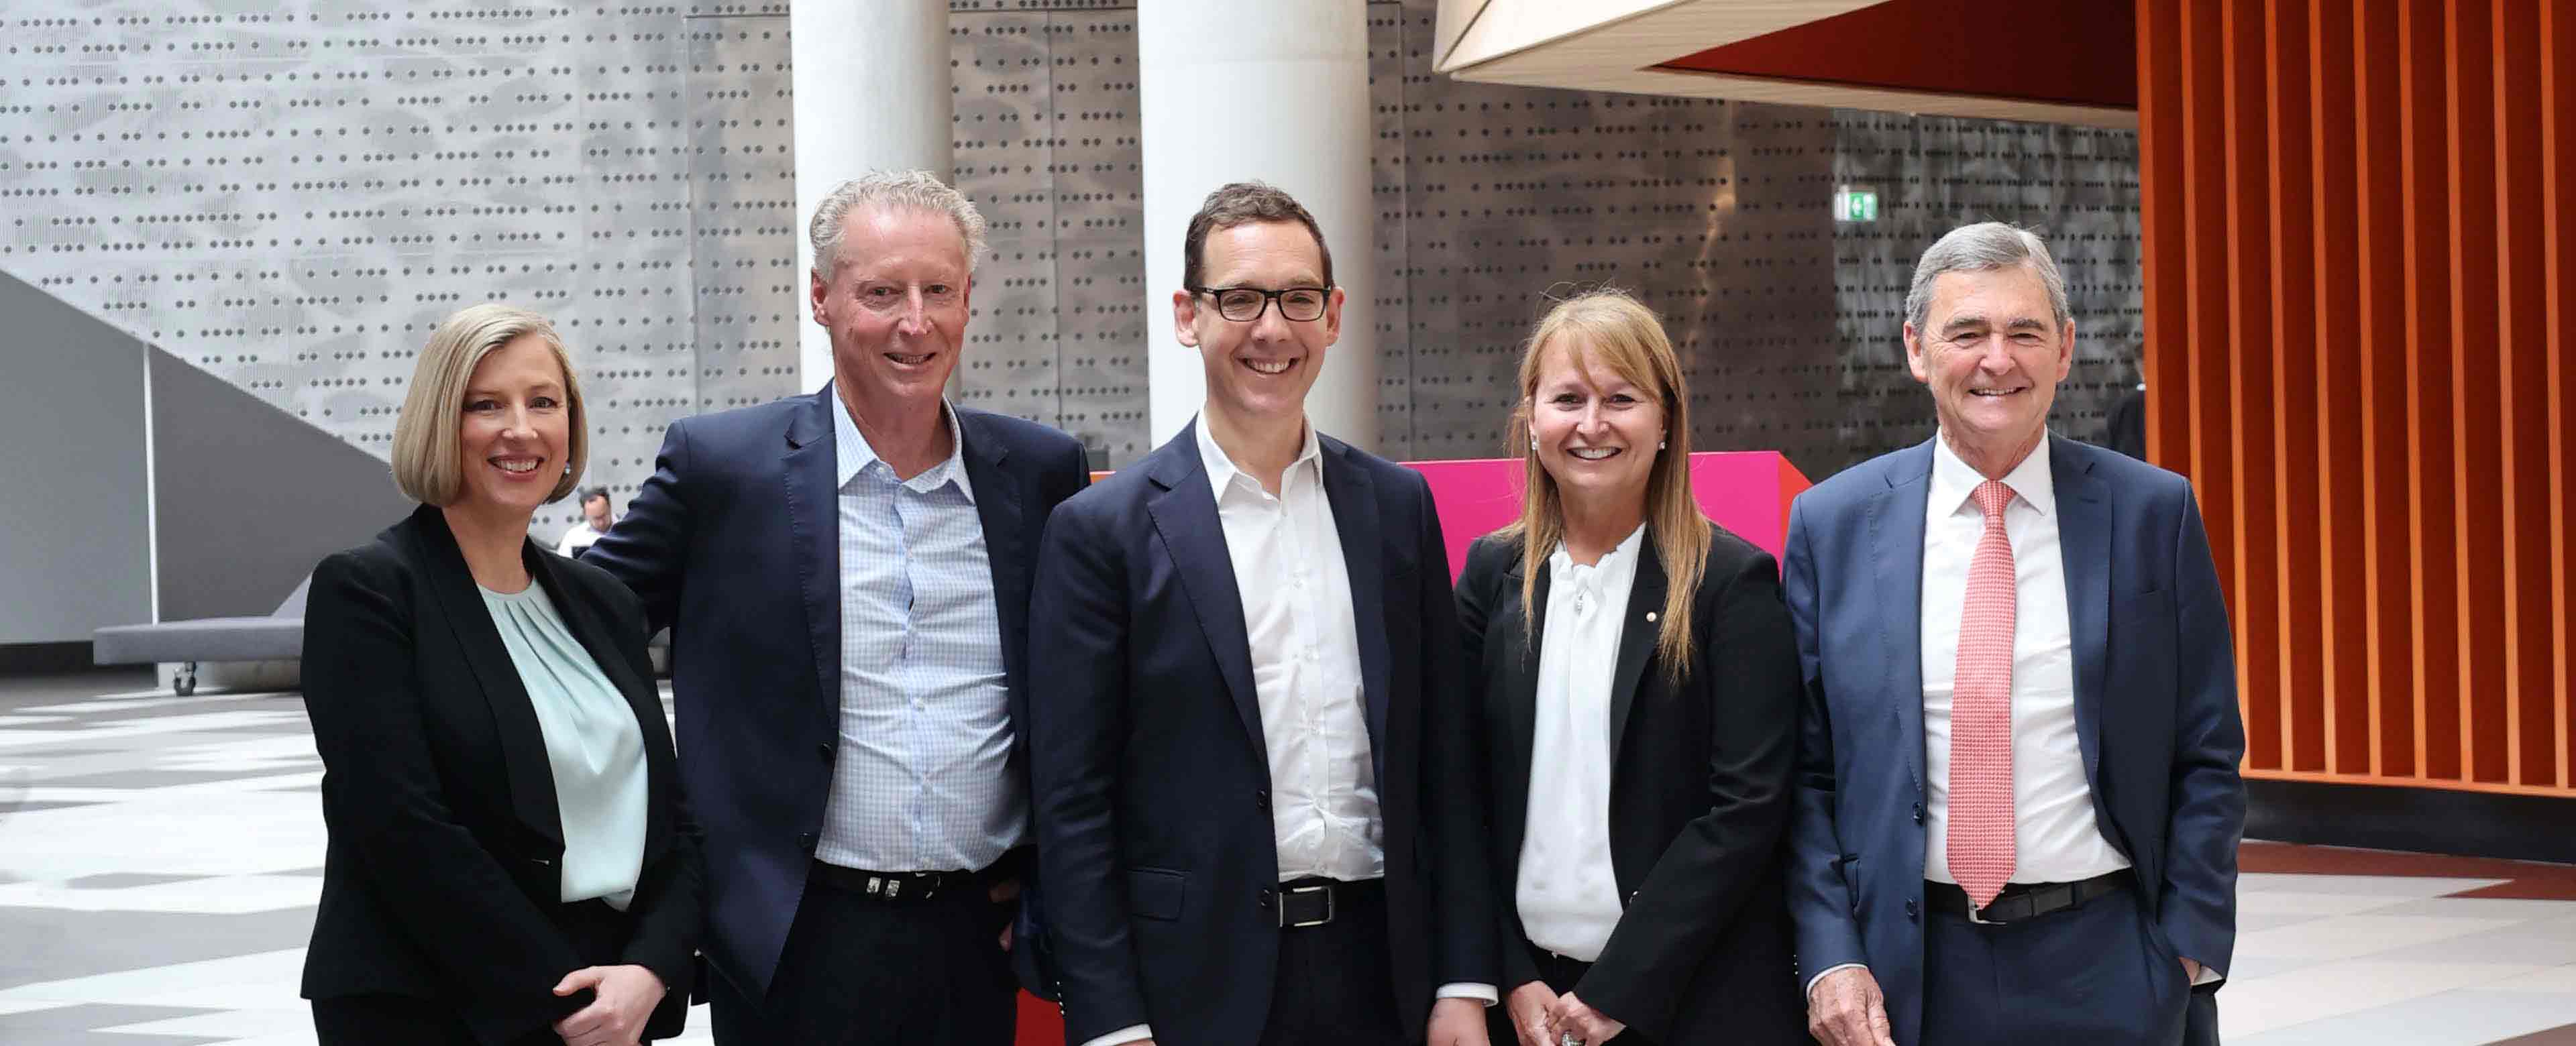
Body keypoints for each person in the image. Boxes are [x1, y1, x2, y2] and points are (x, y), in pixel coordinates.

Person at [580, 170, 1090, 1045]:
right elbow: (576, 631)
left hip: (979, 940)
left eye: (939, 291)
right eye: (882, 292)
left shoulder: (1039, 472)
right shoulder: (723, 469)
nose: (915, 323)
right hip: (789, 939)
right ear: (821, 298)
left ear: (969, 298)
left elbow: (1084, 697)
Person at [1028, 181, 1496, 1046]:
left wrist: (1465, 979)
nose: (1272, 329)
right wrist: (1110, 1021)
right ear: (1186, 315)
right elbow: (1072, 803)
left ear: (1334, 314)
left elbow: (1446, 764)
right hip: (1190, 988)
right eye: (1239, 300)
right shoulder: (1102, 532)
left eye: (1298, 299)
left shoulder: (1398, 508)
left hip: (1385, 972)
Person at [1785, 223, 2245, 1046]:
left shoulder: (2153, 513)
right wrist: (1830, 958)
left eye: (2025, 332)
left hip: (2113, 964)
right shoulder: (1834, 524)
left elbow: (2206, 748)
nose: (1998, 359)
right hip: (1910, 972)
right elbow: (1808, 772)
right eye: (1967, 333)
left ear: (2064, 350)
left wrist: (2183, 953)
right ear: (1917, 349)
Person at [299, 304, 701, 1045]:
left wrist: (650, 970)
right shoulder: (370, 591)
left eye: (543, 402)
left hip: (611, 999)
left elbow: (673, 821)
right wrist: (565, 1002)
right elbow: (400, 828)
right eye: (486, 405)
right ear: (438, 424)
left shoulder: (601, 600)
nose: (521, 429)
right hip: (440, 1005)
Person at [1454, 290, 1805, 1046]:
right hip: (1531, 1007)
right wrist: (1510, 972)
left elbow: (1746, 809)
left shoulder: (1729, 583)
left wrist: (1618, 990)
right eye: (1568, 399)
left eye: (1621, 399)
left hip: (1688, 1002)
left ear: (1666, 419)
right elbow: (1458, 792)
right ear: (1532, 418)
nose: (1591, 425)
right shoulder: (1492, 574)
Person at [556, 486, 615, 557]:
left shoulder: (626, 530)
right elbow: (562, 565)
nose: (601, 523)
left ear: (609, 507)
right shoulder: (573, 537)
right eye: (596, 518)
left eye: (603, 516)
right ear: (585, 514)